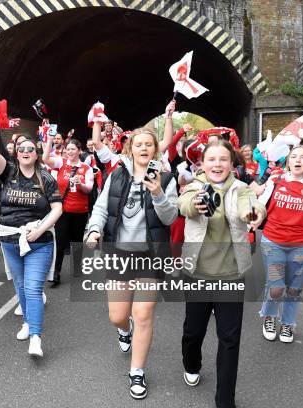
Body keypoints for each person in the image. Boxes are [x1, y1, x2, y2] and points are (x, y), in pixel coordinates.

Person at [85, 123, 178, 400]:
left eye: (149, 144)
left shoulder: (166, 178)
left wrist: (158, 193)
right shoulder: (117, 175)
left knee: (144, 314)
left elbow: (170, 217)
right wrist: (93, 229)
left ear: (156, 148)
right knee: (118, 316)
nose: (144, 148)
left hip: (151, 255)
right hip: (119, 254)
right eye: (139, 144)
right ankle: (124, 332)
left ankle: (137, 371)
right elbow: (102, 207)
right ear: (131, 148)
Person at [178, 140, 265, 408]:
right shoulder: (192, 186)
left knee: (230, 339)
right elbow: (185, 205)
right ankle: (191, 364)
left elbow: (250, 205)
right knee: (194, 332)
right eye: (212, 159)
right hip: (198, 275)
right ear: (202, 163)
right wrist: (197, 205)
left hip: (230, 276)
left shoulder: (241, 189)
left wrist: (253, 213)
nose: (217, 164)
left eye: (223, 159)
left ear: (232, 163)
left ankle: (225, 399)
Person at [0, 119, 62, 358]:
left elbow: (57, 209)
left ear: (37, 154)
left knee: (32, 288)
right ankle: (28, 322)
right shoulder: (7, 171)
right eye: (22, 149)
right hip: (9, 240)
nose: (26, 152)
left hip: (39, 242)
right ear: (16, 154)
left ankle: (36, 337)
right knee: (20, 286)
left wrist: (40, 230)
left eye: (31, 149)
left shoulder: (46, 178)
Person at [257, 145, 303, 343]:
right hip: (273, 242)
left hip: (302, 245)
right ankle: (269, 316)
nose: (298, 160)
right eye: (294, 156)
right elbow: (260, 204)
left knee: (293, 289)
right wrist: (253, 218)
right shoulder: (276, 180)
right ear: (288, 160)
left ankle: (287, 323)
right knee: (276, 288)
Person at [42, 137, 93, 286]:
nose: (69, 152)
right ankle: (55, 273)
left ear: (79, 151)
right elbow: (45, 159)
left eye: (73, 149)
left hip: (80, 211)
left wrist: (81, 184)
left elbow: (89, 189)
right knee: (60, 241)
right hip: (62, 211)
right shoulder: (61, 162)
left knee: (77, 242)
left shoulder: (86, 168)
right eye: (67, 149)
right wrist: (50, 140)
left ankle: (77, 270)